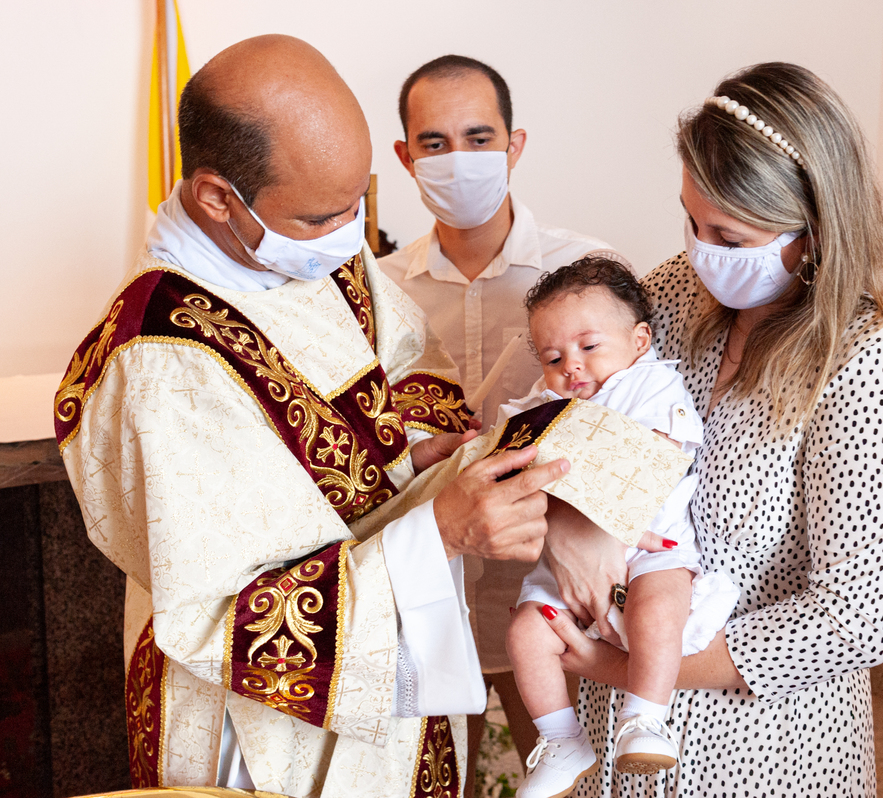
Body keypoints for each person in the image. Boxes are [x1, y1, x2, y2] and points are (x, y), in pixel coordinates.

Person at [53, 35, 568, 798]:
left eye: (356, 201)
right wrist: (441, 528)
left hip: (391, 665)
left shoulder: (304, 242)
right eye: (322, 216)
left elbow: (409, 363)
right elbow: (221, 619)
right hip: (268, 729)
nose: (348, 237)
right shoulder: (157, 359)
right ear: (218, 198)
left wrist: (418, 448)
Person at [528, 63, 883, 797]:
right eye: (691, 220)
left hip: (758, 749)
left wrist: (625, 670)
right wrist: (564, 525)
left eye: (729, 233)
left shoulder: (873, 362)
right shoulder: (676, 294)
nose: (700, 247)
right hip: (616, 734)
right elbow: (581, 420)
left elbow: (855, 620)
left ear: (815, 232)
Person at [377, 54, 627, 778]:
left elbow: (630, 427)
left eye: (479, 138)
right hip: (429, 595)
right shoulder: (378, 292)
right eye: (435, 143)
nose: (460, 159)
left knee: (572, 778)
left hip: (547, 592)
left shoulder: (587, 273)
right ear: (405, 157)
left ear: (515, 146)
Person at [501, 258, 737, 797]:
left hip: (650, 550)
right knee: (525, 632)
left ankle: (645, 717)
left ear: (638, 340)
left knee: (658, 610)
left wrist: (554, 476)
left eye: (589, 347)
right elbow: (505, 460)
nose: (572, 368)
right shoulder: (543, 406)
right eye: (553, 357)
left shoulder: (648, 385)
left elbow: (654, 456)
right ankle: (561, 740)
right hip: (562, 566)